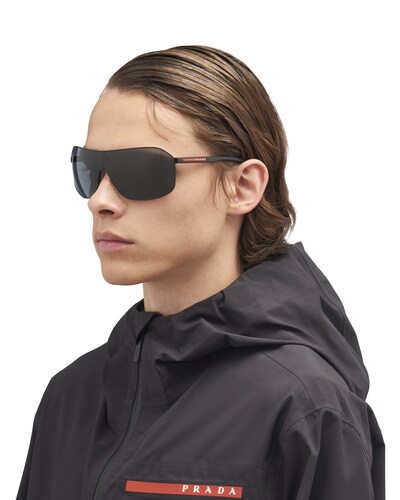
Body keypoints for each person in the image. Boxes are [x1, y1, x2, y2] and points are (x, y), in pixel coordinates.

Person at [16, 45, 385, 500]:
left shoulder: (305, 407)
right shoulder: (70, 397)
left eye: (141, 170)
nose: (100, 201)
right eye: (90, 170)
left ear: (242, 186)